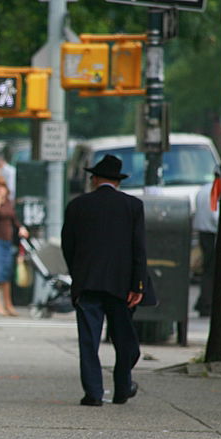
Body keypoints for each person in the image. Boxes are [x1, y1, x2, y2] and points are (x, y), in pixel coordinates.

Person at [61, 154, 147, 407]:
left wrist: (77, 276)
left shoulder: (78, 205)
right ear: (117, 181)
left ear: (95, 179)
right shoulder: (133, 206)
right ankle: (122, 388)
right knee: (124, 341)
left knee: (89, 341)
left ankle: (94, 393)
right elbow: (139, 249)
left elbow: (69, 246)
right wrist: (137, 285)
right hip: (121, 287)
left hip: (87, 283)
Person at [0, 178, 29, 316]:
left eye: (2, 187)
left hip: (7, 241)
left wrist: (21, 228)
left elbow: (14, 219)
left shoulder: (9, 203)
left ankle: (8, 304)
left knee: (6, 274)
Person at [193, 167, 221, 317]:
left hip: (203, 232)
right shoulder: (215, 190)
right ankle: (206, 302)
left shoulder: (203, 189)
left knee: (207, 269)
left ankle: (203, 301)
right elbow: (214, 215)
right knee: (211, 271)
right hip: (212, 234)